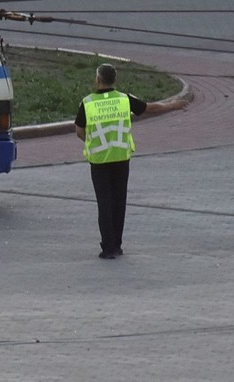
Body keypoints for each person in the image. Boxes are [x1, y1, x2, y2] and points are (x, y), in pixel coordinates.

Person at [75, 63, 187, 259]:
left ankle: (108, 248)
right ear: (114, 80)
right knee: (119, 202)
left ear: (98, 80)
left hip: (99, 161)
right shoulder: (124, 99)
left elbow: (79, 131)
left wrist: (95, 141)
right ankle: (117, 245)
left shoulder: (88, 103)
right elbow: (150, 108)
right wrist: (173, 105)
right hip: (121, 158)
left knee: (105, 204)